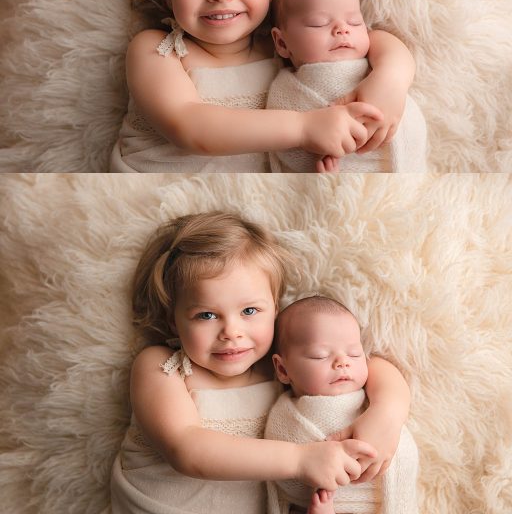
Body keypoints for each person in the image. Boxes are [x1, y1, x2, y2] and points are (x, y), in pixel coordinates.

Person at [110, 211, 412, 514]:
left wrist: (386, 413)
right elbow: (187, 450)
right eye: (206, 315)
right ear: (173, 320)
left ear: (275, 310)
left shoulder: (277, 362)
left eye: (250, 311)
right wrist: (300, 460)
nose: (232, 332)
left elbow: (372, 366)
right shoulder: (164, 367)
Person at [109, 0, 417, 175]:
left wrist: (389, 80)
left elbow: (374, 40)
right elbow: (189, 126)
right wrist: (304, 128)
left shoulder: (280, 44)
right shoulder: (159, 49)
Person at [265, 295, 419, 514]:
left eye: (354, 354)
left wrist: (384, 413)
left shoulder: (372, 391)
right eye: (320, 356)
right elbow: (283, 470)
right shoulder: (285, 415)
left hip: (383, 501)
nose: (343, 362)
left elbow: (390, 380)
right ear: (282, 369)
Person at [267, 0, 427, 174]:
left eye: (354, 22)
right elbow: (283, 142)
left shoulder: (375, 50)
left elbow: (398, 54)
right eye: (319, 23)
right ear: (282, 43)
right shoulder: (285, 90)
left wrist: (388, 79)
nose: (343, 29)